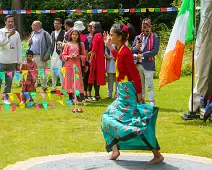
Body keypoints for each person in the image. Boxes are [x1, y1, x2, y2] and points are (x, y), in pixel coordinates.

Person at [102, 23, 164, 164]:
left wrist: (140, 94)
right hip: (123, 92)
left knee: (133, 124)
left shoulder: (126, 52)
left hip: (128, 93)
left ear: (119, 37)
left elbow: (135, 74)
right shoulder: (123, 50)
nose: (110, 37)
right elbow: (120, 58)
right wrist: (110, 47)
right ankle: (115, 149)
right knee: (109, 117)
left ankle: (156, 154)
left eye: (112, 35)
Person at [132, 18, 160, 106]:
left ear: (151, 27)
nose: (145, 29)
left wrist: (143, 55)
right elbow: (132, 50)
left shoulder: (155, 37)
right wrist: (136, 47)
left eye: (147, 27)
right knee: (140, 85)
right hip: (138, 64)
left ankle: (152, 102)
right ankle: (141, 101)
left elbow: (155, 51)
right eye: (144, 27)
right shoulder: (137, 37)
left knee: (150, 85)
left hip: (148, 64)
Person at [0, 15, 22, 104]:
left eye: (12, 21)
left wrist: (18, 61)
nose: (10, 23)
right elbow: (1, 44)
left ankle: (6, 98)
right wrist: (8, 36)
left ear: (14, 23)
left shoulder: (16, 33)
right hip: (1, 60)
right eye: (8, 21)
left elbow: (19, 48)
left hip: (12, 61)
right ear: (5, 22)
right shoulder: (1, 31)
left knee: (9, 82)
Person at [62, 30, 87, 106]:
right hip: (69, 65)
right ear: (71, 35)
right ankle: (71, 99)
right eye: (73, 34)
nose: (74, 36)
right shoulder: (67, 44)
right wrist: (69, 56)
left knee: (79, 82)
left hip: (77, 65)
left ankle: (82, 99)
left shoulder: (81, 44)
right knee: (69, 82)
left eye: (76, 35)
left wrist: (78, 56)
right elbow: (63, 55)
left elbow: (84, 55)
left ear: (78, 36)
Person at [29, 21, 52, 93]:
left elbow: (50, 46)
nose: (31, 26)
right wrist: (29, 43)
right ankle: (33, 87)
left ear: (37, 26)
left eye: (32, 25)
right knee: (33, 73)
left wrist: (46, 55)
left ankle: (44, 87)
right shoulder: (33, 34)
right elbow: (31, 45)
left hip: (41, 56)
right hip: (33, 56)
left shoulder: (45, 34)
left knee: (42, 73)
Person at [88, 22, 106, 101]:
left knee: (94, 77)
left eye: (93, 27)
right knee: (97, 77)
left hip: (96, 59)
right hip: (100, 59)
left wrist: (90, 59)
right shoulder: (100, 36)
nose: (92, 28)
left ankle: (96, 95)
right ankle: (97, 95)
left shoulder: (96, 36)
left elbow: (94, 50)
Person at [73, 21, 89, 99]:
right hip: (80, 62)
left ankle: (76, 96)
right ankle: (78, 96)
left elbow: (85, 52)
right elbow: (86, 52)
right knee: (79, 80)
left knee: (74, 80)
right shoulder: (85, 38)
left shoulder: (71, 36)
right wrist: (86, 63)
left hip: (75, 62)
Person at [51, 18, 65, 92]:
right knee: (53, 71)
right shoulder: (52, 33)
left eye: (57, 23)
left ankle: (63, 87)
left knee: (61, 71)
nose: (56, 25)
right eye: (55, 23)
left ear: (61, 24)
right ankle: (54, 87)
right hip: (53, 53)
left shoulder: (64, 32)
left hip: (60, 54)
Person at [85, 21, 95, 100]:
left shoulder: (97, 36)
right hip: (87, 58)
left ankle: (90, 93)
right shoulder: (86, 36)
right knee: (86, 76)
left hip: (94, 59)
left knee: (92, 77)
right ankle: (85, 93)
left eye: (91, 26)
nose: (89, 27)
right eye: (89, 26)